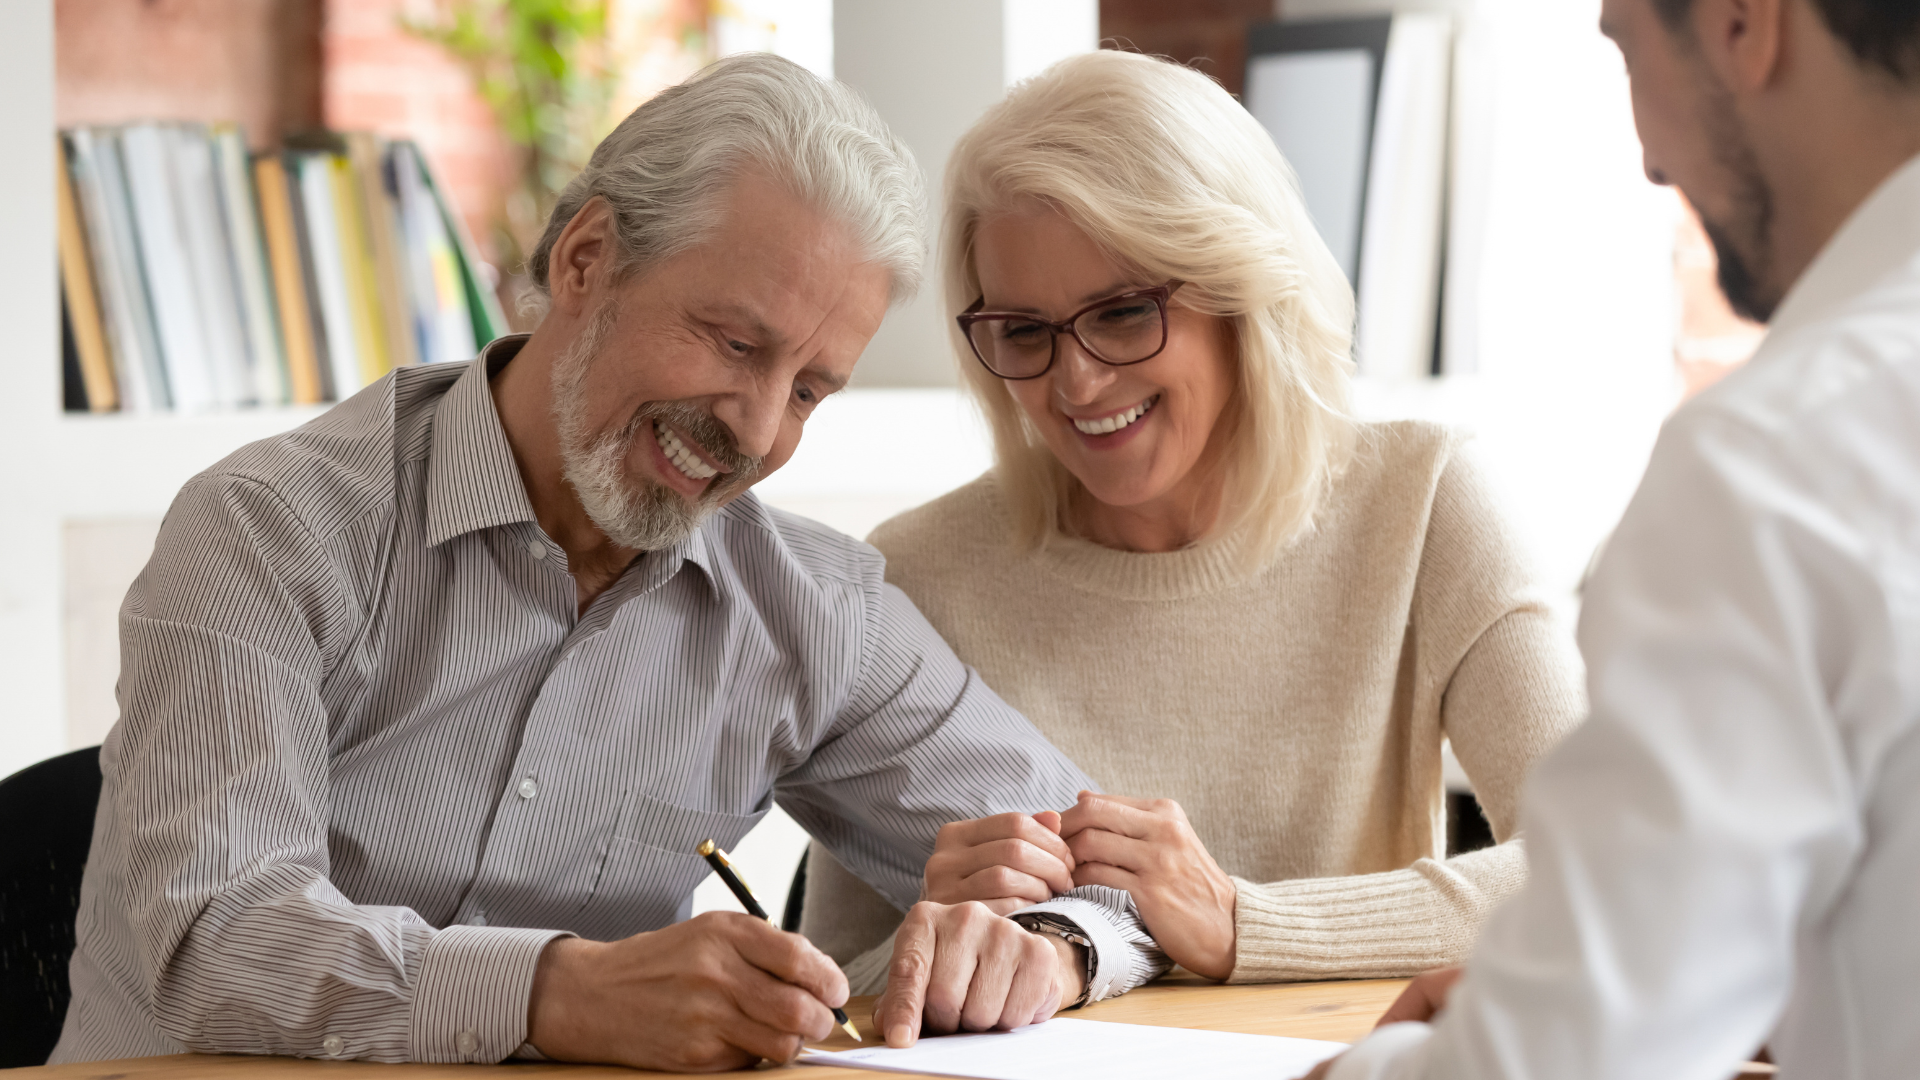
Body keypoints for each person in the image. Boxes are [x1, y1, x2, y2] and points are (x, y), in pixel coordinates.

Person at [50, 54, 1144, 1072]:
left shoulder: (812, 611)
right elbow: (212, 944)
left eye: (810, 389)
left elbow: (1112, 877)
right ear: (585, 260)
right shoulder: (263, 532)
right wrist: (560, 992)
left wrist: (1046, 944)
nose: (758, 431)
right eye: (733, 342)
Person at [813, 48, 1588, 1034]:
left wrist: (1241, 925)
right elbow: (835, 993)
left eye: (1126, 312)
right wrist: (936, 931)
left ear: (1241, 290)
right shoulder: (917, 574)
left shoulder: (1426, 503)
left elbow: (1603, 864)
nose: (1076, 383)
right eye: (1023, 330)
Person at [1310, 0, 1920, 1076]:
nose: (1644, 157)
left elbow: (1577, 1061)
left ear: (1744, 23)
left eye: (1624, 48)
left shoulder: (1775, 463)